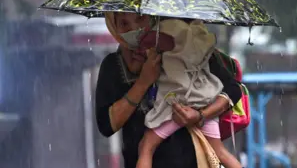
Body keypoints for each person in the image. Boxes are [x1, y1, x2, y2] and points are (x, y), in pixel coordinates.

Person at [95, 12, 243, 168]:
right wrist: (143, 83)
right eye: (124, 24)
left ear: (152, 17)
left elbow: (234, 89)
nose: (135, 29)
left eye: (140, 18)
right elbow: (106, 125)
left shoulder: (187, 49)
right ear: (114, 28)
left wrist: (200, 116)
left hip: (193, 161)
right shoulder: (114, 66)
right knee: (146, 147)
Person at [135, 18, 242, 168]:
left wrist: (144, 43)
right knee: (220, 152)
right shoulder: (201, 34)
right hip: (205, 99)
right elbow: (234, 88)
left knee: (146, 146)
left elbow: (148, 44)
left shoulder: (165, 30)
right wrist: (203, 115)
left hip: (176, 105)